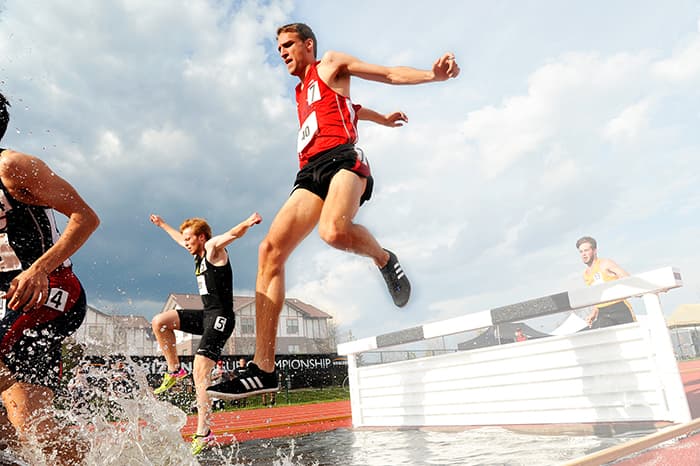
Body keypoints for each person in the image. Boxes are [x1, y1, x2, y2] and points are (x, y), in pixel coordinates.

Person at [207, 22, 459, 401]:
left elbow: (388, 73)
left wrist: (432, 75)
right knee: (269, 251)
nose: (283, 53)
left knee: (333, 232)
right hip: (310, 172)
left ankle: (384, 258)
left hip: (344, 160)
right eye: (278, 49)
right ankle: (264, 368)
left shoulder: (332, 64)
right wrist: (383, 118)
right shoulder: (300, 93)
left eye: (289, 45)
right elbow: (352, 108)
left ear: (309, 45)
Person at [0, 91, 100, 465]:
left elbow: (86, 218)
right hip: (10, 306)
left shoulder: (12, 166)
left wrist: (38, 268)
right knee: (26, 430)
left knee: (28, 425)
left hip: (52, 292)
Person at [149, 212, 261, 455]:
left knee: (200, 371)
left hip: (221, 317)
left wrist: (247, 223)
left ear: (201, 237)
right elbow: (179, 239)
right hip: (207, 315)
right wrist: (162, 224)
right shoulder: (196, 254)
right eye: (186, 240)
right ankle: (174, 369)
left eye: (190, 239)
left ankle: (204, 431)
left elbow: (231, 235)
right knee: (160, 322)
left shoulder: (212, 249)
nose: (186, 243)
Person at [576, 236, 636, 329]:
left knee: (632, 336)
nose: (583, 254)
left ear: (594, 251)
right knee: (599, 334)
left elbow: (628, 278)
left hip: (619, 307)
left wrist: (645, 290)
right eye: (581, 252)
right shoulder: (586, 274)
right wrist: (594, 312)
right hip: (603, 312)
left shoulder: (605, 263)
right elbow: (598, 296)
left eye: (586, 250)